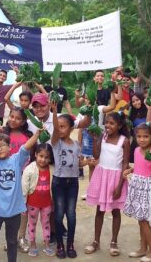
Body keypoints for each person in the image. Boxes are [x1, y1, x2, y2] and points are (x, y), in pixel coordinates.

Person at [0, 128, 41, 262]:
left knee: (12, 242)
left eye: (2, 145)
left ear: (9, 146)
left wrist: (37, 133)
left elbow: (25, 147)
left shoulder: (17, 160)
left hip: (14, 211)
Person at [0, 101, 33, 252]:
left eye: (17, 118)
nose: (13, 119)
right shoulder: (3, 133)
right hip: (8, 176)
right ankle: (11, 239)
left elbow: (31, 152)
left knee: (22, 208)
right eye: (11, 116)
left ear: (24, 121)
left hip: (25, 174)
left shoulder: (28, 135)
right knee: (12, 206)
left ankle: (20, 236)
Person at [84, 112, 130, 256]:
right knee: (100, 211)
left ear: (119, 125)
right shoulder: (103, 137)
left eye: (112, 123)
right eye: (106, 123)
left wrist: (120, 185)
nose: (108, 126)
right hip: (102, 176)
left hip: (116, 179)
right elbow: (96, 155)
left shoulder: (124, 141)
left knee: (115, 211)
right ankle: (96, 241)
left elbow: (125, 164)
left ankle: (114, 242)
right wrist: (95, 138)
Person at [50, 102, 88, 259]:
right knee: (59, 215)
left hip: (73, 183)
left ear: (71, 128)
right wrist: (54, 112)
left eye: (63, 126)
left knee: (71, 214)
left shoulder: (76, 145)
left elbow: (79, 164)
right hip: (59, 182)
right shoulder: (55, 142)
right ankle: (59, 245)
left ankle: (70, 244)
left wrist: (88, 163)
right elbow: (55, 129)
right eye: (58, 126)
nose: (60, 129)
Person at [123, 123, 151, 262]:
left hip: (148, 188)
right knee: (140, 220)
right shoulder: (136, 150)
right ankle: (142, 248)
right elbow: (139, 167)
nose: (142, 139)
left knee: (144, 221)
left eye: (145, 136)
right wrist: (130, 170)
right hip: (137, 185)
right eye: (139, 136)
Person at [21, 143, 56, 257]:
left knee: (46, 224)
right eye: (41, 156)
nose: (43, 160)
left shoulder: (52, 169)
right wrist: (23, 204)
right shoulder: (29, 169)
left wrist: (54, 202)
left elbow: (54, 188)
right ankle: (32, 244)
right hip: (32, 204)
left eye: (47, 157)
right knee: (32, 224)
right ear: (35, 154)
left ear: (50, 158)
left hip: (47, 204)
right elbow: (24, 187)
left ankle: (46, 244)